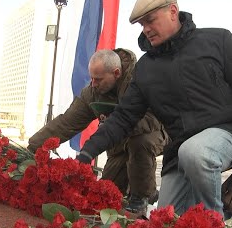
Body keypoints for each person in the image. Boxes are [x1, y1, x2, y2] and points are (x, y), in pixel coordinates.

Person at [75, 0, 232, 218]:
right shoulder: (145, 69)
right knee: (165, 219)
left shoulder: (217, 40)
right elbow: (124, 117)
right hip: (179, 149)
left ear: (172, 11)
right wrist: (88, 151)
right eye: (142, 24)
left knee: (196, 154)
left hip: (227, 133)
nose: (146, 29)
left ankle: (215, 224)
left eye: (151, 20)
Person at [27, 48, 169, 215]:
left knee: (140, 143)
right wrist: (33, 147)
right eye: (92, 78)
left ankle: (141, 196)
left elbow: (153, 116)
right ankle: (141, 189)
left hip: (154, 132)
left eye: (99, 79)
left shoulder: (140, 80)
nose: (93, 84)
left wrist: (115, 126)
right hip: (117, 145)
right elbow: (66, 123)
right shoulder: (92, 93)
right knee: (105, 195)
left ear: (116, 73)